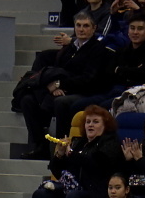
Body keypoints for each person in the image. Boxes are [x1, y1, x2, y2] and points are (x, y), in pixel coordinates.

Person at [14, 13, 108, 160]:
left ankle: (61, 148)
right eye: (78, 25)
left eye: (86, 26)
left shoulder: (98, 49)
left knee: (60, 102)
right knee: (28, 100)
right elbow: (57, 71)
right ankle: (40, 146)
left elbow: (89, 79)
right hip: (61, 88)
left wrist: (61, 85)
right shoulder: (69, 48)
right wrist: (55, 86)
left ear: (94, 28)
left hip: (84, 91)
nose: (81, 29)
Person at [32, 105, 122, 198]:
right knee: (41, 195)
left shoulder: (110, 143)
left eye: (95, 122)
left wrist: (72, 154)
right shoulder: (79, 143)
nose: (90, 125)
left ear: (105, 125)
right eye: (88, 122)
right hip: (71, 190)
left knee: (74, 196)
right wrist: (60, 155)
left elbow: (96, 165)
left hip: (97, 193)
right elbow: (59, 173)